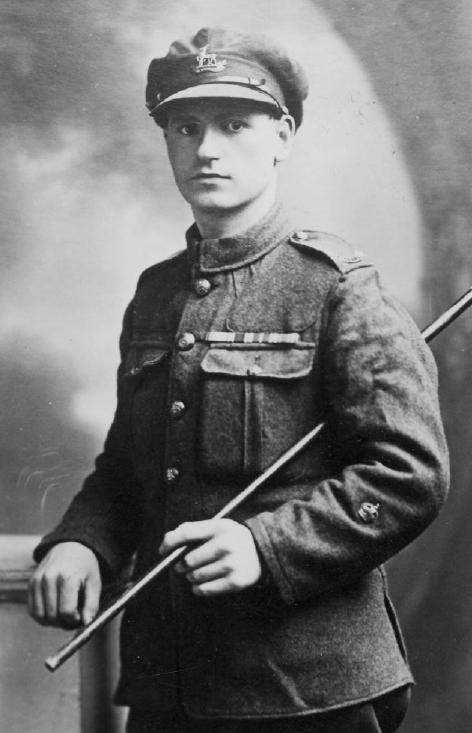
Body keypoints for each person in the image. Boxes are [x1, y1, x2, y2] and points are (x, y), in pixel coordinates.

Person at [28, 27, 449, 733]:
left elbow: (409, 473)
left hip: (308, 689)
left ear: (282, 135)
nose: (206, 149)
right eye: (185, 127)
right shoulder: (156, 295)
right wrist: (83, 539)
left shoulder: (337, 288)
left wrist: (267, 546)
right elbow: (130, 468)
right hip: (172, 687)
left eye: (234, 124)